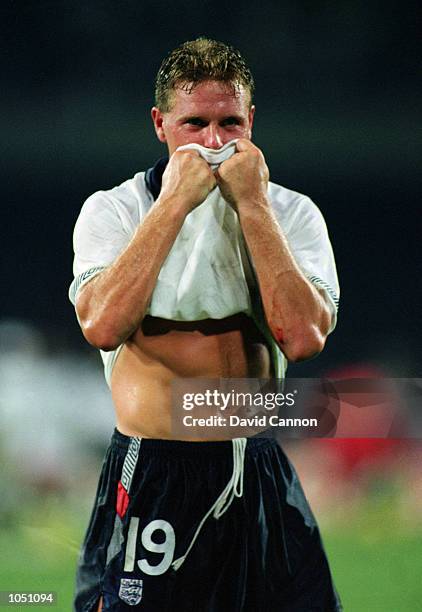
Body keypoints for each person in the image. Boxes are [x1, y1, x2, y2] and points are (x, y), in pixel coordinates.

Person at [69, 38, 341, 611]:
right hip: (157, 475)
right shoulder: (113, 212)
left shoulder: (293, 214)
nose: (215, 144)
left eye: (230, 124)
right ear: (160, 124)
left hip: (260, 469)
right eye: (195, 123)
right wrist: (174, 203)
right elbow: (102, 325)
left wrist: (254, 206)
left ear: (252, 123)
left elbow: (303, 337)